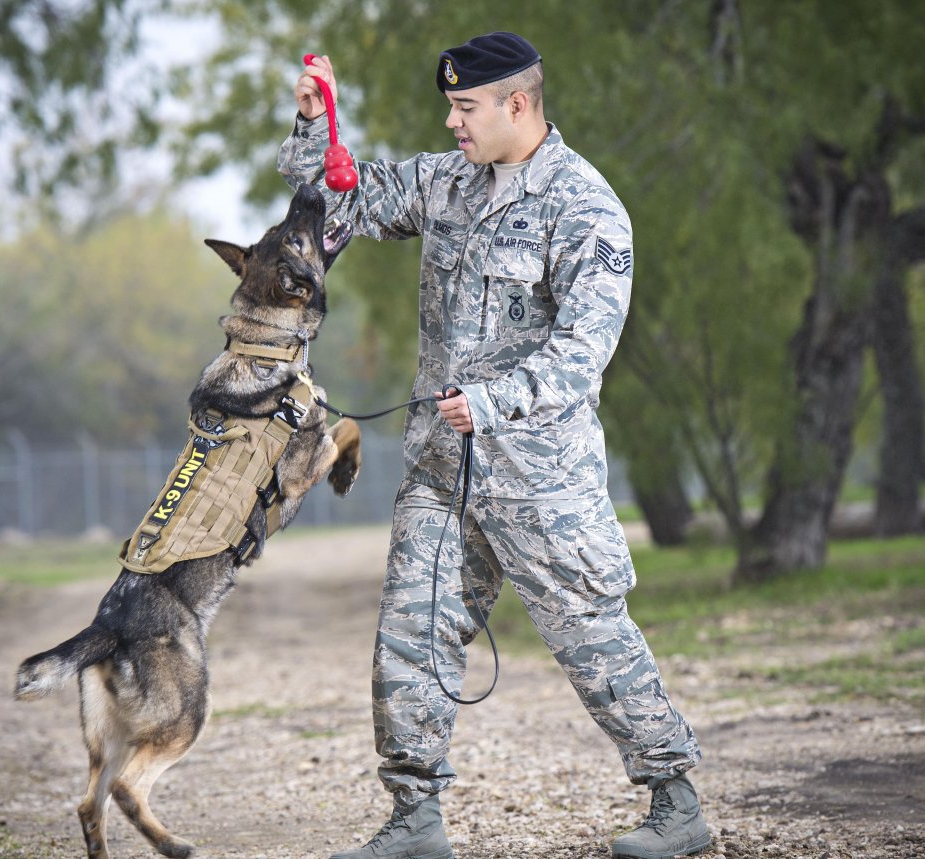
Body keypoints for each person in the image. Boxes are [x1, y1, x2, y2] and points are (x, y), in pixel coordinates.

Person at [279, 32, 709, 859]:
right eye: (450, 105)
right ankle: (414, 819)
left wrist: (498, 400)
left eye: (465, 106)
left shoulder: (585, 207)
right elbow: (345, 201)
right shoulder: (446, 184)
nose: (451, 121)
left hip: (542, 482)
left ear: (518, 103)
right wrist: (317, 127)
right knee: (410, 635)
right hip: (443, 472)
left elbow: (585, 349)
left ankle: (675, 799)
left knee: (594, 640)